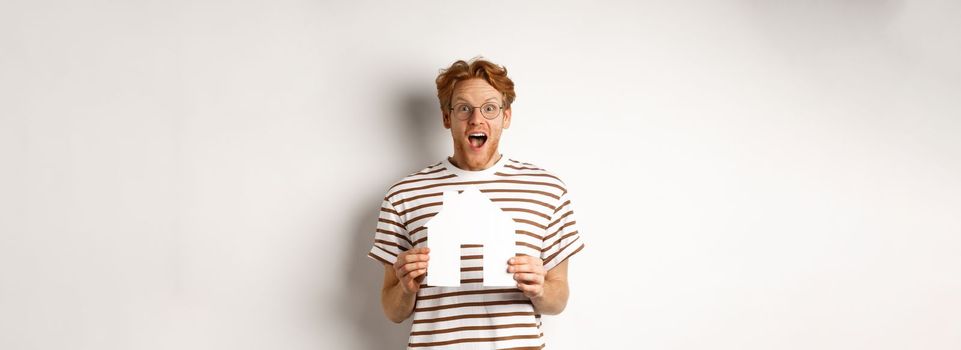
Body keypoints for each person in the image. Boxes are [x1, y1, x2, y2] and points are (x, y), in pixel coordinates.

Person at [368, 57, 584, 349]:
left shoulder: (548, 190)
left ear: (506, 117)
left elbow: (558, 300)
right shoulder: (403, 194)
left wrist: (541, 287)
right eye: (463, 108)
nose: (476, 119)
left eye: (490, 108)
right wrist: (406, 288)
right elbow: (392, 310)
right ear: (447, 117)